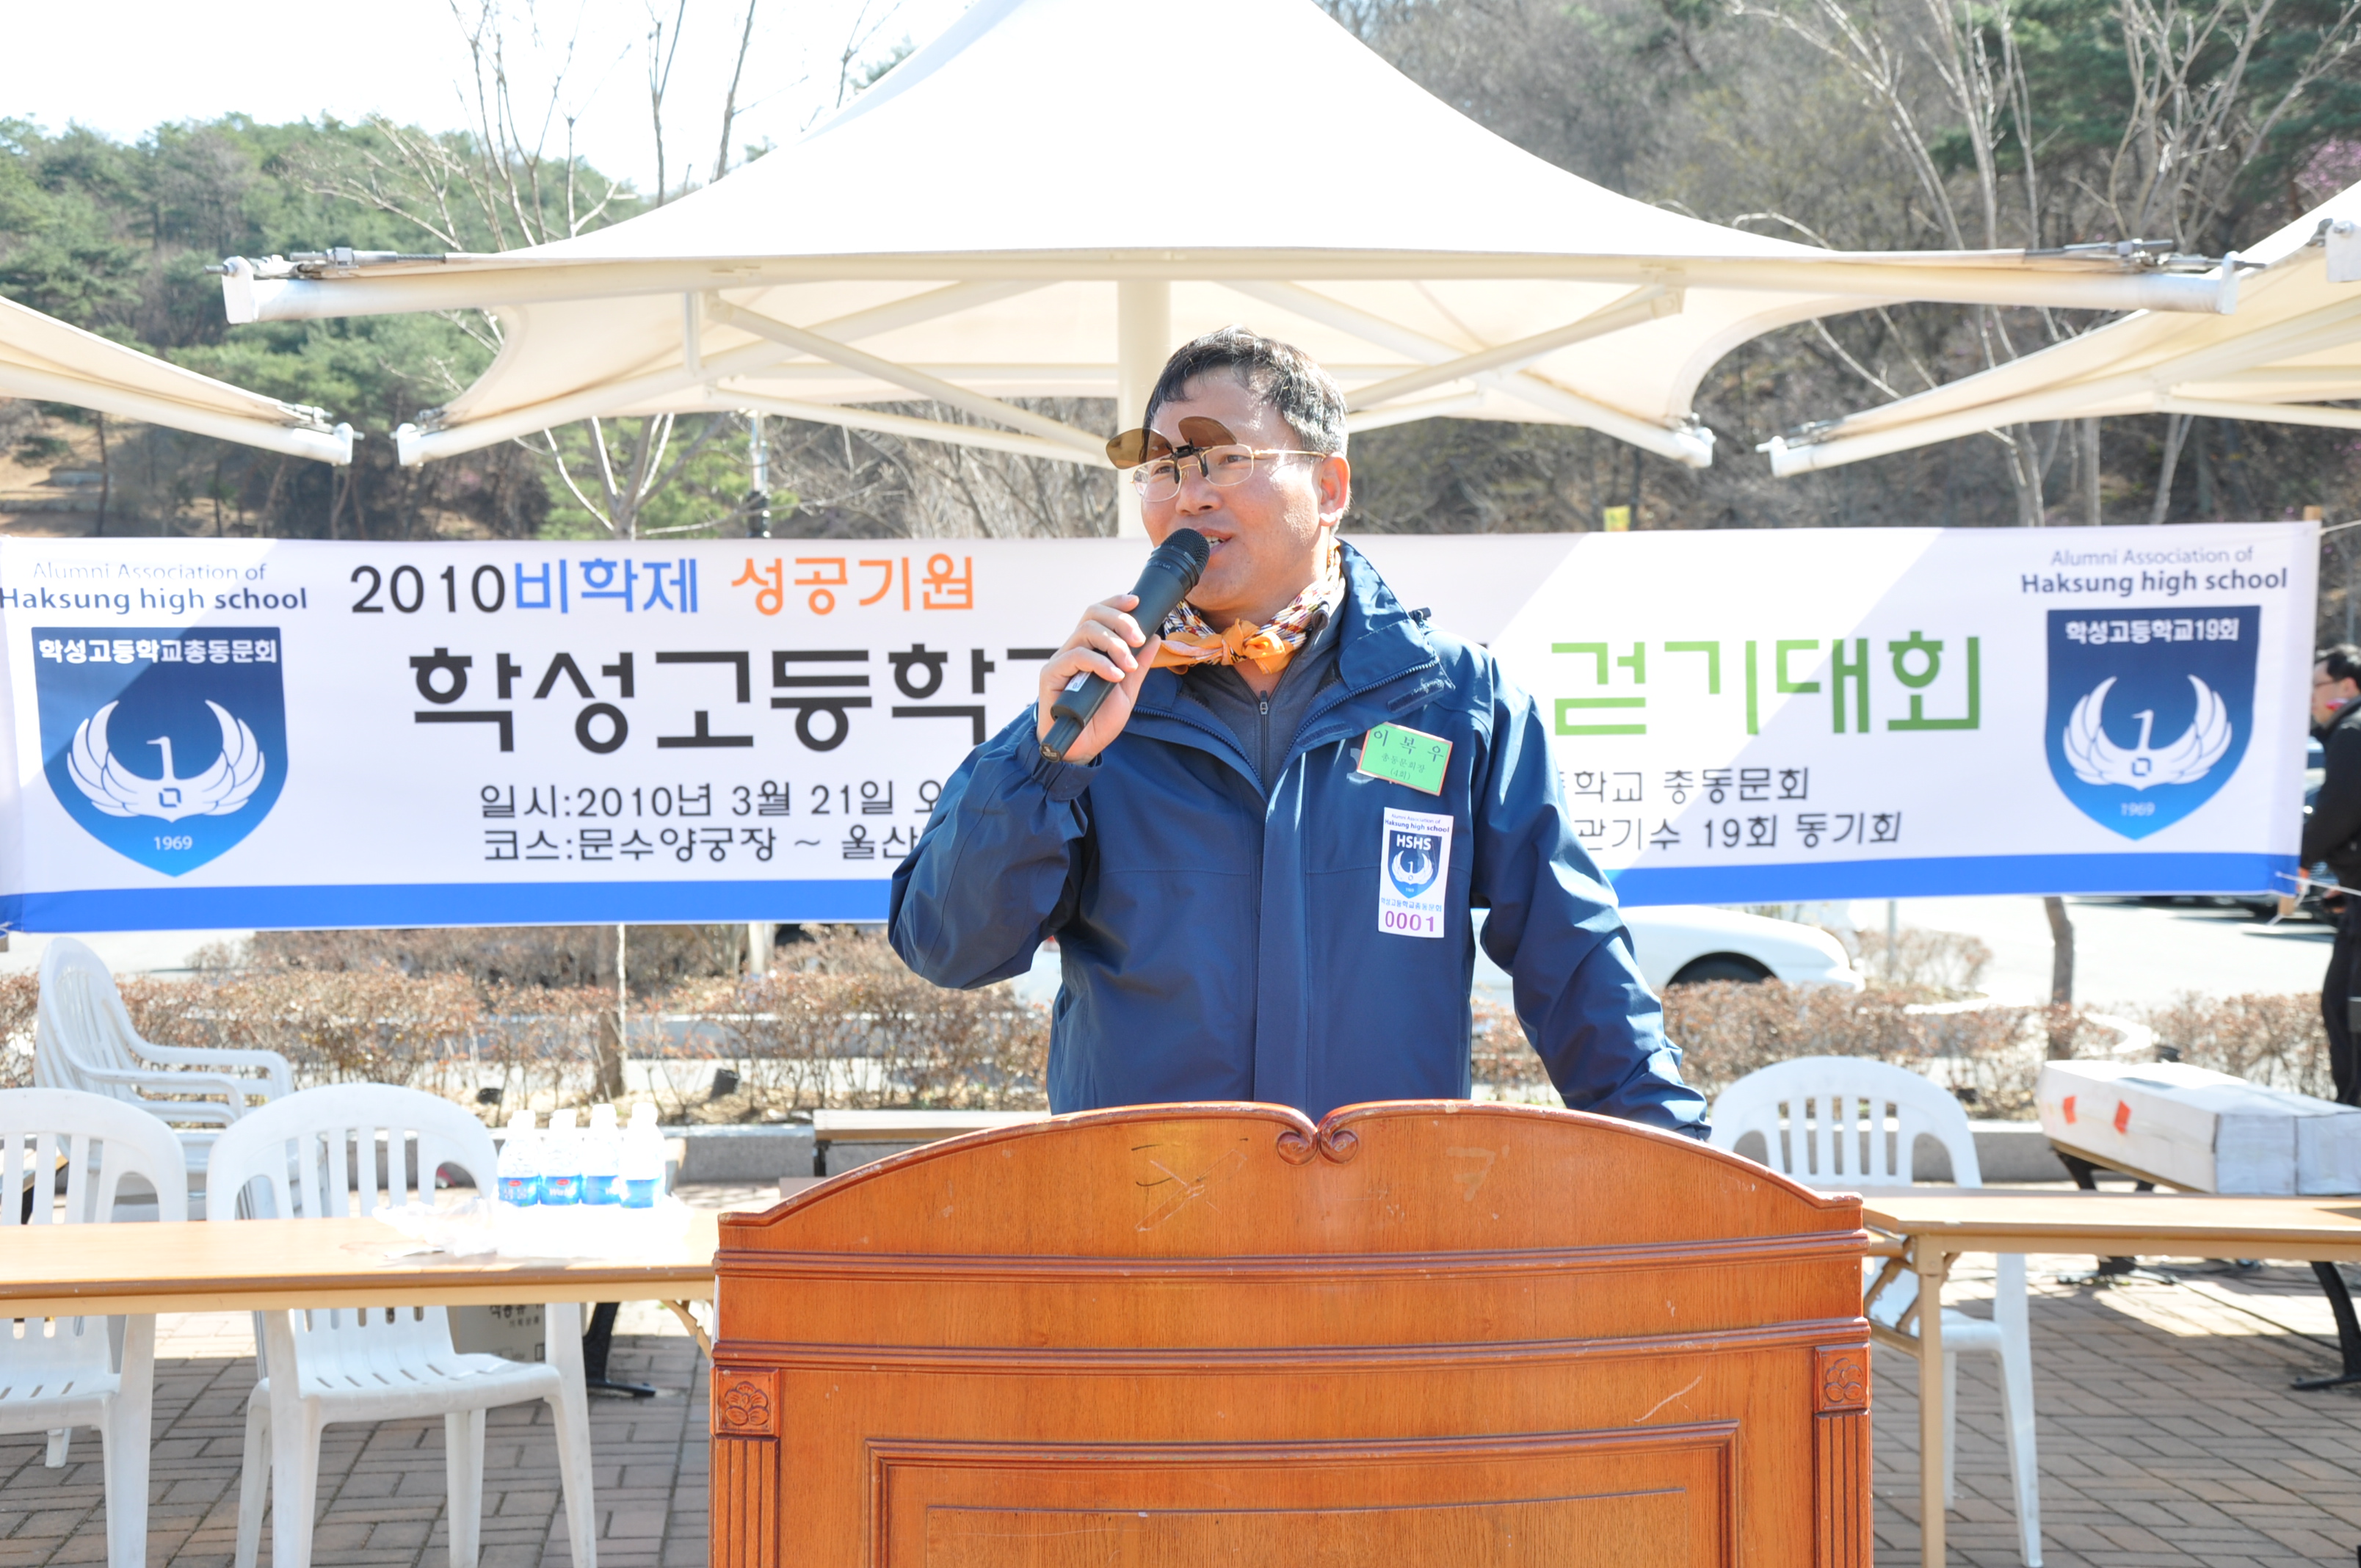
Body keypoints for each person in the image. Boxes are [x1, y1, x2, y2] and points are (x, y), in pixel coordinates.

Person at [888, 327, 1706, 1135]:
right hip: (1147, 1202)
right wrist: (1046, 766)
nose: (1190, 495)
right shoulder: (1098, 709)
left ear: (1331, 487)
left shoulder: (1455, 700)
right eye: (1164, 469)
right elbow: (946, 946)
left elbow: (1576, 962)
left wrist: (1680, 1159)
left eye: (1224, 459)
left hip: (1383, 1199)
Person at [2304, 643, 2361, 1105]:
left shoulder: (2352, 730)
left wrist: (2300, 858)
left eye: (2316, 685)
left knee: (2347, 1008)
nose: (2310, 697)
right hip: (2355, 895)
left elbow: (2340, 808)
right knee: (2342, 1004)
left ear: (2348, 685)